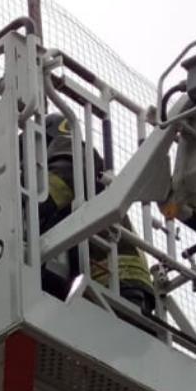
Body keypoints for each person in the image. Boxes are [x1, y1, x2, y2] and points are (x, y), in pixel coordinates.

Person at [36, 113, 156, 316]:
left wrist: (26, 205)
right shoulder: (90, 168)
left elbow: (58, 185)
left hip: (111, 276)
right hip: (125, 279)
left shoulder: (71, 148)